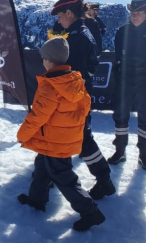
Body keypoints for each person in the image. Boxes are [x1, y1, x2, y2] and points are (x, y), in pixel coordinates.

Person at [17, 37, 105, 231]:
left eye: (43, 58)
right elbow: (86, 105)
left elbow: (37, 116)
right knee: (42, 166)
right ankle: (36, 199)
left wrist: (22, 135)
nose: (42, 61)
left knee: (63, 177)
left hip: (54, 141)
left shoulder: (50, 85)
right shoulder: (75, 79)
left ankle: (90, 212)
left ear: (48, 61)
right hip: (62, 138)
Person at [50, 0, 115, 200]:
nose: (59, 20)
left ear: (69, 13)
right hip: (81, 95)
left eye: (60, 16)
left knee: (82, 138)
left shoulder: (77, 39)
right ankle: (103, 179)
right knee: (82, 138)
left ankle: (103, 180)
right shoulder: (81, 31)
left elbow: (71, 74)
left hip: (74, 98)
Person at [108, 0, 146, 171]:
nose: (135, 16)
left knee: (145, 116)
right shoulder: (122, 31)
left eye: (139, 13)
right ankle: (120, 151)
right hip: (125, 78)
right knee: (120, 115)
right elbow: (118, 55)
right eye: (133, 13)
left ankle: (144, 154)